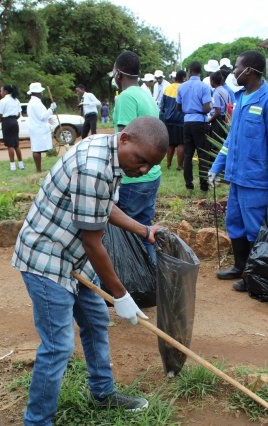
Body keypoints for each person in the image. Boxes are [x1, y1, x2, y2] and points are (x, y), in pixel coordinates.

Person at [12, 116, 168, 426]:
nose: (143, 170)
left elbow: (101, 206)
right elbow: (93, 242)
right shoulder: (93, 167)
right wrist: (121, 295)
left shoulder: (110, 155)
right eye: (141, 160)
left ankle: (103, 394)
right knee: (57, 346)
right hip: (47, 260)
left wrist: (142, 229)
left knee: (96, 321)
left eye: (150, 165)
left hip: (74, 259)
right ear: (124, 139)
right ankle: (37, 421)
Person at [207, 51, 268, 291]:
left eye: (237, 67)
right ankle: (240, 267)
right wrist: (216, 167)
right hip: (237, 178)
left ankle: (255, 276)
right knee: (235, 224)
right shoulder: (241, 98)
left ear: (249, 70)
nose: (233, 72)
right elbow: (231, 140)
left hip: (256, 180)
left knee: (254, 230)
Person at [112, 50, 161, 263]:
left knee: (126, 236)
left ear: (118, 73)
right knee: (144, 232)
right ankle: (152, 281)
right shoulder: (145, 94)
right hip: (151, 175)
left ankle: (131, 286)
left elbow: (124, 141)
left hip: (133, 179)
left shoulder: (126, 97)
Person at [176, 60, 212, 194]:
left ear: (189, 71)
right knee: (203, 154)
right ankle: (203, 186)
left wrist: (188, 109)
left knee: (188, 155)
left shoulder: (181, 87)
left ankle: (189, 185)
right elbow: (207, 107)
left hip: (187, 122)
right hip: (200, 122)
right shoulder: (204, 87)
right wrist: (202, 109)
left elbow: (178, 107)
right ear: (200, 71)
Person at [26, 82, 56, 173]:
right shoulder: (35, 103)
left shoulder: (34, 102)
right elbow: (42, 116)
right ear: (37, 93)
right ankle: (38, 170)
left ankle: (39, 169)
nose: (42, 93)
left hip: (37, 127)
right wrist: (51, 109)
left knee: (37, 148)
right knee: (36, 149)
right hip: (38, 128)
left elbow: (42, 116)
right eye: (41, 92)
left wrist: (49, 118)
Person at [160, 70, 186, 171]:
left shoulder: (167, 88)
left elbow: (162, 106)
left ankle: (168, 164)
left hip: (168, 120)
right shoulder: (184, 88)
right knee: (181, 143)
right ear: (183, 78)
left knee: (170, 144)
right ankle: (180, 166)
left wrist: (163, 118)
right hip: (181, 120)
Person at [0, 84, 23, 172]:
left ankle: (13, 166)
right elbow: (18, 114)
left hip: (6, 122)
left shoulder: (3, 101)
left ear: (6, 91)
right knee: (16, 144)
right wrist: (13, 120)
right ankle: (21, 164)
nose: (0, 92)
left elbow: (0, 116)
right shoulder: (16, 100)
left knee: (10, 145)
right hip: (15, 122)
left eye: (1, 91)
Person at [208, 71, 233, 146]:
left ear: (212, 81)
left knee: (215, 145)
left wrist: (209, 121)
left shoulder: (216, 93)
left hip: (217, 121)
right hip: (225, 120)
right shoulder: (225, 91)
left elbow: (217, 112)